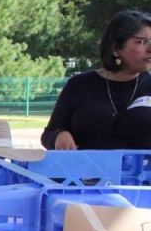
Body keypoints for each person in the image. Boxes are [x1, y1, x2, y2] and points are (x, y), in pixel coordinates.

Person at [41, 9, 151, 150]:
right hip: (87, 171)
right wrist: (59, 135)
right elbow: (48, 134)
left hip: (142, 172)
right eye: (142, 42)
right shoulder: (80, 85)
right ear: (115, 48)